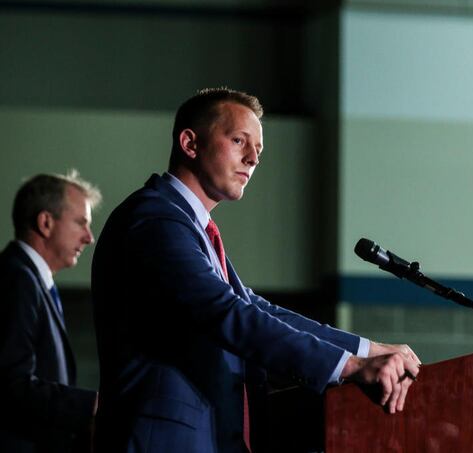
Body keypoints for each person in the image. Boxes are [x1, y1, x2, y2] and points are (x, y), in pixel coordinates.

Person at [91, 88, 421, 452]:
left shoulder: (189, 226)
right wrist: (350, 366)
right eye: (238, 141)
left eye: (258, 151)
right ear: (190, 143)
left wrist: (367, 349)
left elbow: (256, 308)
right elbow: (225, 312)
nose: (252, 159)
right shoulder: (154, 218)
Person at [0, 171, 100, 452]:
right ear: (45, 222)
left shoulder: (28, 280)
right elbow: (11, 384)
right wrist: (90, 404)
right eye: (81, 223)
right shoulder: (16, 279)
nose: (89, 238)